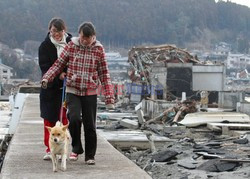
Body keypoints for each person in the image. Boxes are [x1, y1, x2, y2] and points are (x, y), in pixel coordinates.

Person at [41, 22, 115, 165]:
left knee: (90, 125)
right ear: (79, 34)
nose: (84, 41)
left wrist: (109, 97)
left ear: (94, 37)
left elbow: (104, 74)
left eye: (88, 38)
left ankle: (90, 156)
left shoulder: (99, 50)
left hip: (90, 91)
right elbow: (58, 64)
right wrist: (46, 78)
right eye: (82, 37)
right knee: (73, 118)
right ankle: (76, 148)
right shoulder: (72, 46)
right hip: (73, 89)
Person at [38, 17, 72, 160]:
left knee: (64, 120)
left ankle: (63, 149)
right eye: (53, 32)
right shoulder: (44, 46)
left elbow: (75, 61)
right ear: (49, 30)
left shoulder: (71, 43)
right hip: (50, 89)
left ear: (64, 31)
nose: (56, 35)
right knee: (49, 120)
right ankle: (49, 148)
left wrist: (68, 73)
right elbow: (45, 67)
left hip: (67, 88)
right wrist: (58, 75)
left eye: (59, 32)